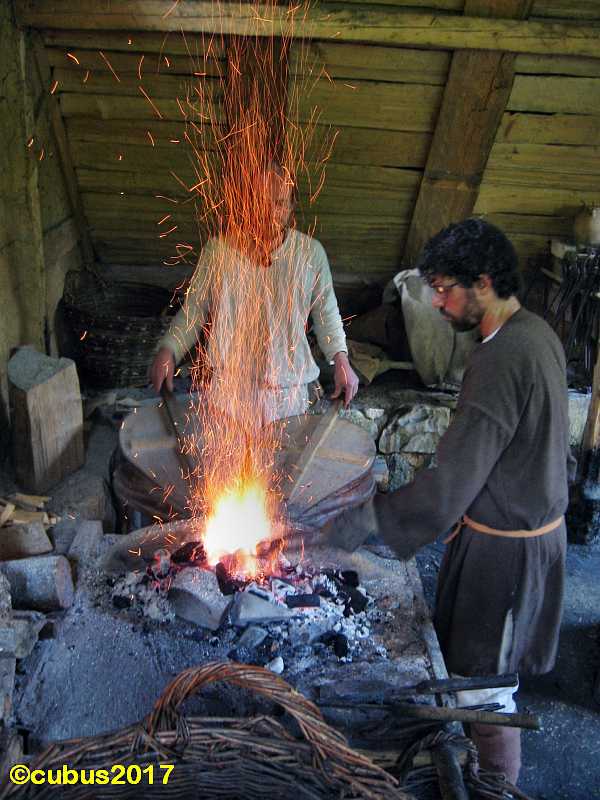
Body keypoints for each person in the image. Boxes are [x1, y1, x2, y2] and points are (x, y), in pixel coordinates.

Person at [336, 218, 571, 785]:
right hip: (521, 536)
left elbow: (450, 483)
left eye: (444, 289)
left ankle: (496, 788)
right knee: (481, 682)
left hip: (506, 560)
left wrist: (369, 518)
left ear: (483, 283)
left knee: (486, 696)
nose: (438, 303)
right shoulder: (536, 332)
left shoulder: (501, 358)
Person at [150, 163, 359, 421]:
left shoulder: (310, 253)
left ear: (292, 207)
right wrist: (169, 350)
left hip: (288, 392)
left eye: (279, 203)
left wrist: (341, 360)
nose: (270, 212)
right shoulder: (219, 251)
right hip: (229, 391)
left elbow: (327, 314)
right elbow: (194, 310)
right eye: (261, 202)